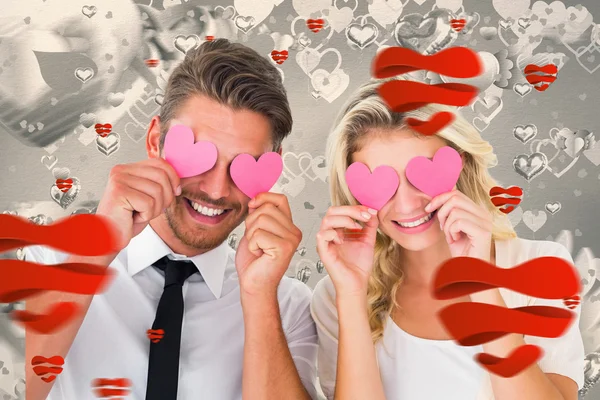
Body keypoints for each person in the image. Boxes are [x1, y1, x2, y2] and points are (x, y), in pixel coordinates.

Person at [25, 39, 318, 400]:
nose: (216, 189)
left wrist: (258, 298)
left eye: (243, 166)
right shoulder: (46, 264)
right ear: (154, 141)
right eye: (200, 157)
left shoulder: (289, 307)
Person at [310, 76, 584, 400]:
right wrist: (352, 295)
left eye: (421, 173)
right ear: (353, 191)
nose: (407, 204)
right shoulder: (336, 295)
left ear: (460, 164)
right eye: (381, 182)